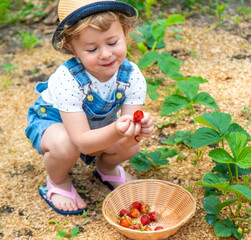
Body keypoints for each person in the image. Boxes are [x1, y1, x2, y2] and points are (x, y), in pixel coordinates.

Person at [25, 0, 154, 215]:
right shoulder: (68, 80)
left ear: (126, 31)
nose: (105, 54)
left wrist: (138, 128)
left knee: (132, 144)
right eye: (92, 48)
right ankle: (57, 182)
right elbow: (82, 142)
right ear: (70, 47)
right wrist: (116, 129)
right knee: (65, 145)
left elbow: (128, 126)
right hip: (54, 122)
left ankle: (107, 169)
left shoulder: (132, 77)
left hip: (96, 127)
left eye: (112, 42)